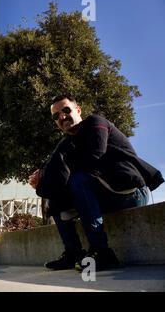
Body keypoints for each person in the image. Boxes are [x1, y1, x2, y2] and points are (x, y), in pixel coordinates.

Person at [29, 94, 164, 271]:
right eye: (56, 116)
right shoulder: (66, 143)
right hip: (102, 196)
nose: (62, 117)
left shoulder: (95, 122)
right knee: (56, 197)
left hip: (130, 192)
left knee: (79, 180)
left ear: (78, 110)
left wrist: (53, 174)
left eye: (66, 110)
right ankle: (73, 253)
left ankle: (102, 252)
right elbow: (53, 172)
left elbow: (94, 156)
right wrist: (40, 180)